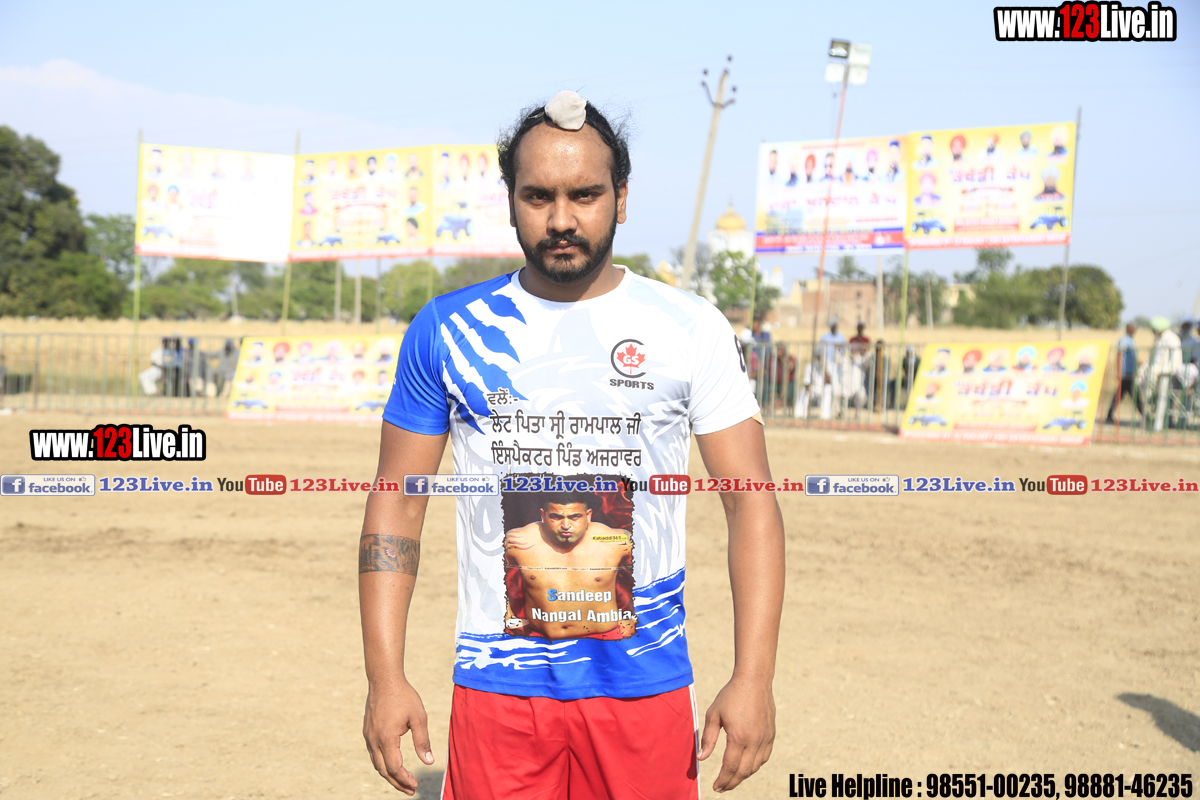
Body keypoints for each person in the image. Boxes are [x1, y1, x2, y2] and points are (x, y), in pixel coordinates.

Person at [359, 92, 784, 800]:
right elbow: (397, 504)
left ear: (622, 198)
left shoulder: (689, 328)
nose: (561, 219)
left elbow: (751, 503)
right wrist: (384, 676)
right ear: (511, 200)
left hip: (643, 693)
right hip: (497, 692)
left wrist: (754, 678)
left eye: (584, 194)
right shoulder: (447, 329)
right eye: (538, 196)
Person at [503, 491, 635, 640]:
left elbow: (647, 576)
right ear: (543, 515)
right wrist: (508, 616)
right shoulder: (519, 541)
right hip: (540, 638)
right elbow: (493, 578)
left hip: (603, 639)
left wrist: (634, 617)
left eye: (575, 517)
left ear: (588, 515)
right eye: (556, 517)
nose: (566, 525)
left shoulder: (616, 541)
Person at [1106, 322, 1143, 422]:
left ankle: (1109, 414)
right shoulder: (1124, 340)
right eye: (1132, 328)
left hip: (1131, 372)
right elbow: (1120, 354)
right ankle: (1144, 415)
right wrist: (1119, 371)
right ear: (1128, 329)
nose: (1134, 330)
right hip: (1125, 372)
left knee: (1121, 394)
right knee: (1134, 395)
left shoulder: (1131, 340)